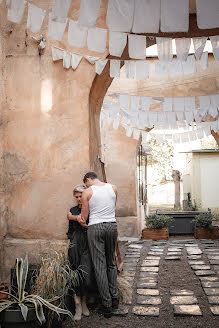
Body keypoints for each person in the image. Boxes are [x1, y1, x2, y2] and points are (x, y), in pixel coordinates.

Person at [80, 171, 118, 318]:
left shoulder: (87, 192)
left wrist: (76, 218)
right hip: (112, 226)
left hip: (95, 227)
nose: (86, 185)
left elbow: (84, 217)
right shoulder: (113, 188)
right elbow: (112, 207)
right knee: (111, 263)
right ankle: (114, 298)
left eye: (85, 183)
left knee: (99, 266)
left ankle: (106, 305)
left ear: (88, 180)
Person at [66, 184, 94, 321]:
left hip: (88, 244)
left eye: (80, 196)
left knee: (86, 276)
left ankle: (84, 301)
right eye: (76, 197)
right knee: (75, 275)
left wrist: (75, 218)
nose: (78, 199)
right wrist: (68, 248)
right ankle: (78, 305)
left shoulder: (92, 210)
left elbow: (93, 228)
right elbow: (70, 232)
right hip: (75, 244)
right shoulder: (72, 210)